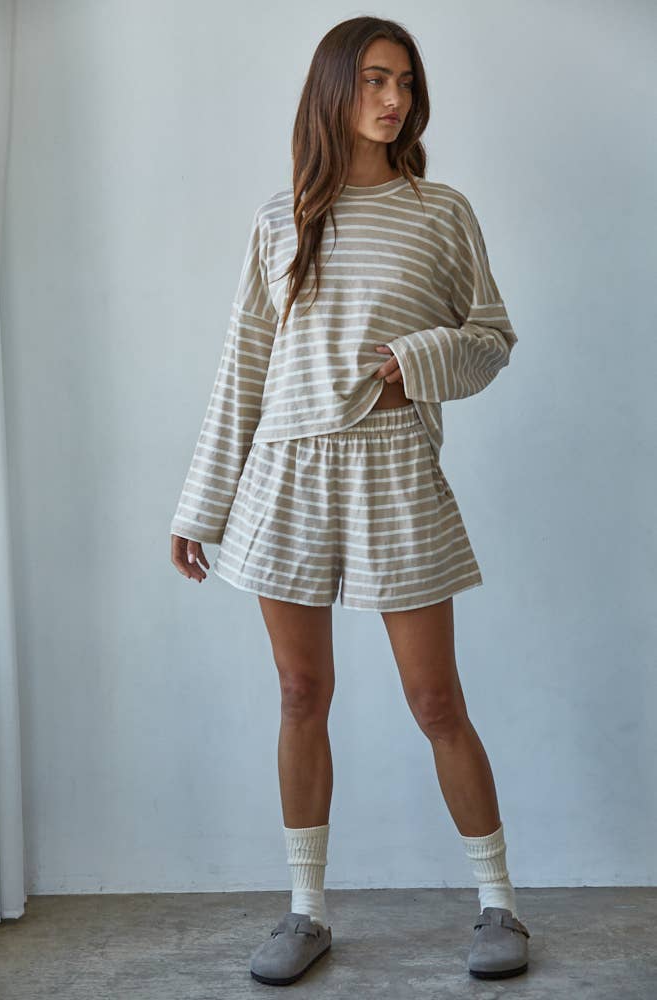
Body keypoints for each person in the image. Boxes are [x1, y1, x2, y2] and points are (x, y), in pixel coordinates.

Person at [170, 15, 530, 987]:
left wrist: (420, 359)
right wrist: (200, 507)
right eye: (374, 79)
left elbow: (491, 337)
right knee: (300, 694)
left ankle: (498, 901)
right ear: (334, 87)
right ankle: (306, 913)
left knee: (435, 698)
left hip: (392, 469)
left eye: (404, 82)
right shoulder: (280, 217)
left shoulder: (439, 211)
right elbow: (242, 368)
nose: (393, 99)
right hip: (284, 476)